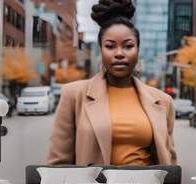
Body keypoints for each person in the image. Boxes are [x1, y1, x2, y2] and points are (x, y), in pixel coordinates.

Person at [46, 0, 177, 166]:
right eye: (110, 46)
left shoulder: (163, 102)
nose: (119, 53)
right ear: (101, 49)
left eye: (128, 46)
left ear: (138, 50)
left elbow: (170, 163)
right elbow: (58, 165)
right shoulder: (73, 96)